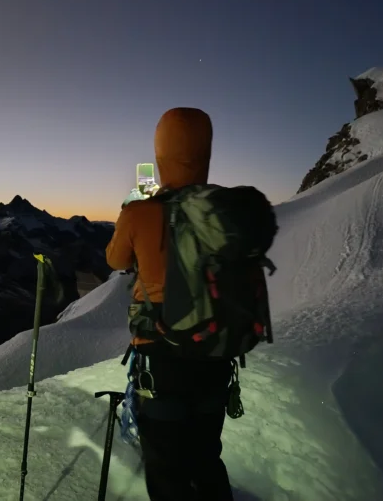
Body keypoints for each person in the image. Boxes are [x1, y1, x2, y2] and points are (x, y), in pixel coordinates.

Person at [106, 107, 235, 501]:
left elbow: (115, 259)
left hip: (160, 356)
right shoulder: (228, 207)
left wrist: (133, 207)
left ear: (160, 153)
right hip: (215, 350)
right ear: (205, 151)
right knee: (206, 454)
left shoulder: (141, 210)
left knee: (165, 462)